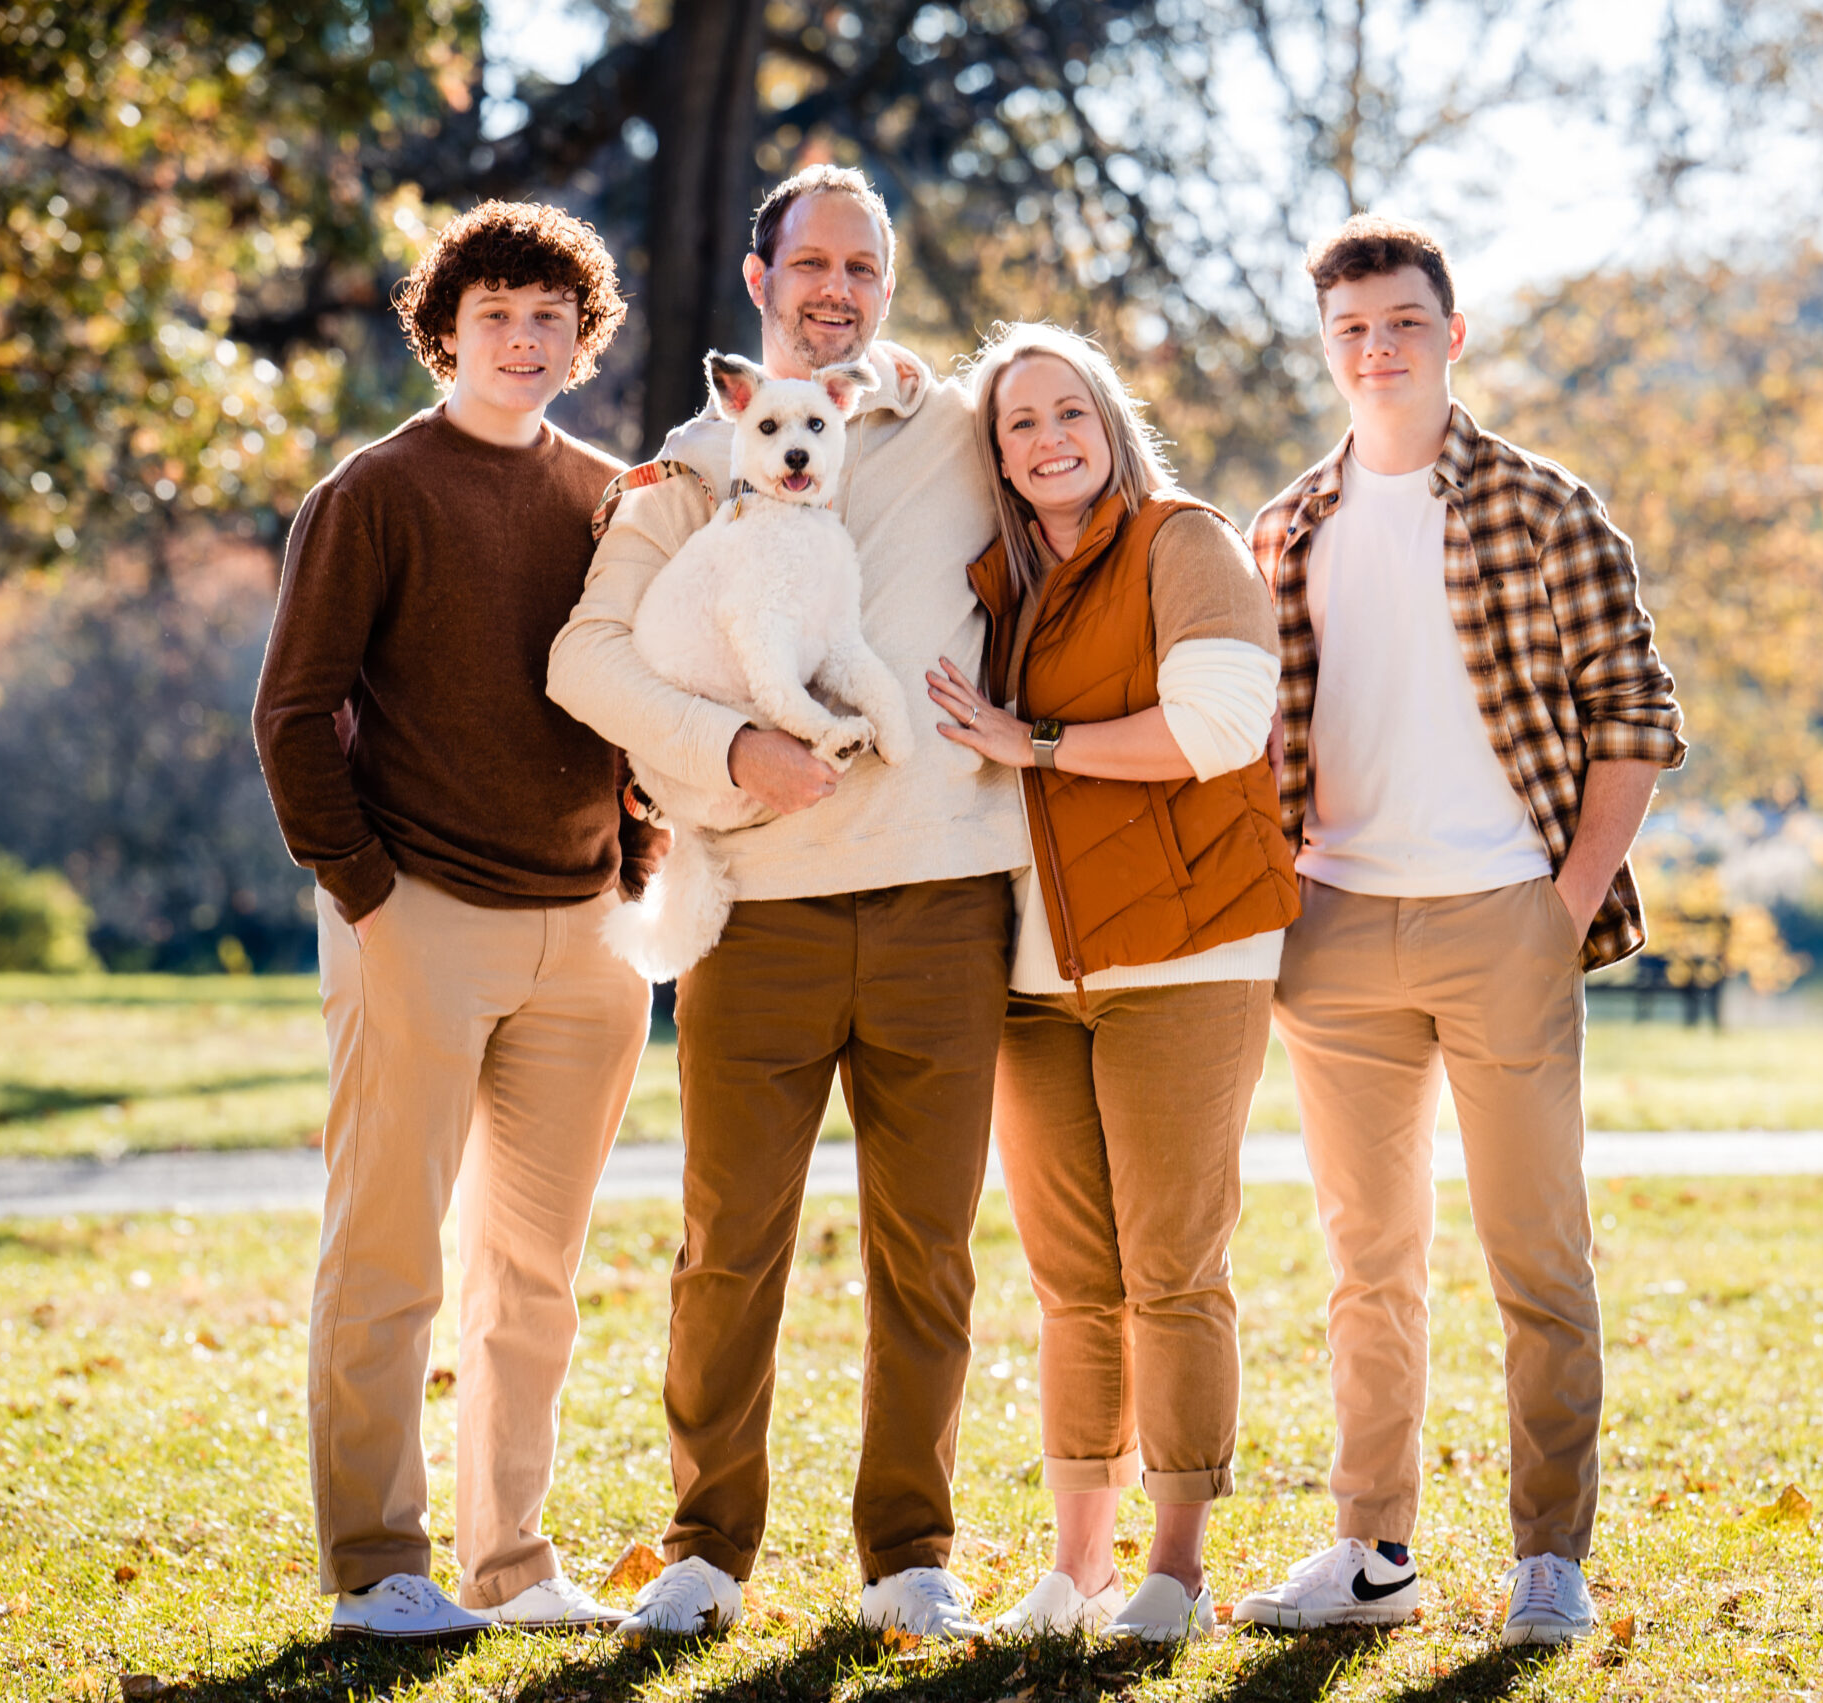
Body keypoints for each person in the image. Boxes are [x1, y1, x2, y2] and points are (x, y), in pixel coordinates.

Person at [547, 166, 1026, 1642]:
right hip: (759, 905)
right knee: (727, 1241)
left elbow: (1100, 496)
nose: (836, 287)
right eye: (809, 262)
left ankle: (910, 1556)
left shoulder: (965, 430)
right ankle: (704, 1551)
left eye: (862, 267)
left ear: (888, 286)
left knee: (928, 1247)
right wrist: (730, 747)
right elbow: (589, 662)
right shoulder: (699, 457)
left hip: (944, 900)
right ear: (761, 281)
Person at [1230, 215, 1687, 1645]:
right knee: (1368, 1263)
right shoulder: (1286, 528)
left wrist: (1558, 914)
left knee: (1537, 1255)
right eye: (1353, 328)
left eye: (1404, 324)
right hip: (1338, 929)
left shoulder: (1547, 509)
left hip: (1506, 917)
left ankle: (1549, 1557)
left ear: (1452, 333)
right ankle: (1374, 1551)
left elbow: (1635, 718)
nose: (1379, 349)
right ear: (1328, 346)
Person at [250, 201, 662, 1642]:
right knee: (388, 1255)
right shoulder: (372, 493)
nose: (525, 339)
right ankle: (377, 1567)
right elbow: (294, 715)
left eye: (552, 317)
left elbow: (642, 700)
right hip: (414, 913)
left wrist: (638, 865)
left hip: (588, 933)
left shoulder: (616, 494)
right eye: (496, 315)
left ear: (581, 337)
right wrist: (364, 893)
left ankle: (510, 1565)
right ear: (445, 333)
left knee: (533, 1275)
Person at [924, 324, 1298, 1643]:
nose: (1047, 439)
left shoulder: (1180, 542)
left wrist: (1030, 739)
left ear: (1110, 417)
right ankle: (1075, 1570)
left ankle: (1175, 1570)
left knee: (1172, 1267)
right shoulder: (1000, 583)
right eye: (1018, 423)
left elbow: (1217, 730)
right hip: (1032, 972)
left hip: (1188, 954)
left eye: (1066, 410)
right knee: (1073, 1277)